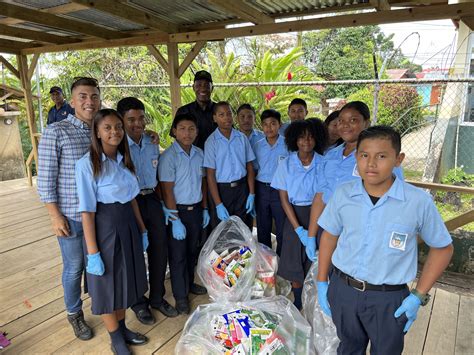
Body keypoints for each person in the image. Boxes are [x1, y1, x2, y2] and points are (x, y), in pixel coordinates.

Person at [316, 126, 453, 355]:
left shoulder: (417, 202)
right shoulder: (343, 194)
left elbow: (443, 249)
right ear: (356, 157)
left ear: (398, 159)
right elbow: (329, 236)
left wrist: (418, 295)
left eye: (381, 156)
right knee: (348, 348)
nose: (371, 163)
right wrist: (322, 282)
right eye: (364, 155)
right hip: (344, 291)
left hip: (388, 299)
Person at [75, 109, 149, 355]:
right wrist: (93, 252)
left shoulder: (123, 159)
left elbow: (133, 199)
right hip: (105, 229)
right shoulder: (87, 165)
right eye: (107, 127)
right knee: (107, 286)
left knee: (126, 283)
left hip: (128, 224)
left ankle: (123, 328)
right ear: (97, 131)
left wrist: (142, 229)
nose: (114, 132)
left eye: (118, 126)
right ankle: (116, 338)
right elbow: (87, 211)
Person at [38, 77, 101, 341]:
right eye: (83, 97)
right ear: (72, 101)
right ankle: (74, 313)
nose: (89, 102)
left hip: (101, 215)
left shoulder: (101, 129)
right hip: (72, 216)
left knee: (97, 264)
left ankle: (102, 305)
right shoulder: (57, 131)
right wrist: (55, 215)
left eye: (94, 96)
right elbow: (45, 178)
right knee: (74, 267)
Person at [306, 101, 404, 258]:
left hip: (359, 232)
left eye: (353, 120)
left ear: (367, 123)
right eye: (341, 121)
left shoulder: (380, 158)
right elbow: (320, 196)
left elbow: (394, 200)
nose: (345, 125)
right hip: (328, 228)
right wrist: (311, 235)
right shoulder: (331, 156)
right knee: (324, 274)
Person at [117, 97, 178, 322]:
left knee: (159, 250)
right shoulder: (117, 145)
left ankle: (157, 297)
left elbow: (158, 175)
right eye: (131, 119)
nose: (138, 123)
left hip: (151, 199)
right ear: (121, 121)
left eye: (141, 118)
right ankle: (138, 302)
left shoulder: (152, 142)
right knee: (133, 253)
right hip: (128, 203)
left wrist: (163, 204)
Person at [270, 119, 327, 310]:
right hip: (294, 214)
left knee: (314, 258)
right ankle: (297, 299)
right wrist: (298, 229)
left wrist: (312, 228)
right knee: (293, 258)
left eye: (311, 137)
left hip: (318, 213)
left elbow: (323, 196)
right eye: (302, 137)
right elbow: (284, 199)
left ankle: (313, 298)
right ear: (295, 140)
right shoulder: (286, 164)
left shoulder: (323, 162)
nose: (306, 141)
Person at [159, 113, 209, 315]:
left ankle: (189, 285)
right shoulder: (168, 157)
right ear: (174, 132)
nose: (187, 133)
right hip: (177, 213)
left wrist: (205, 208)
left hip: (196, 210)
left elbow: (203, 183)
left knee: (192, 252)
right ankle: (180, 296)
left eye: (191, 129)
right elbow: (167, 189)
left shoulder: (199, 153)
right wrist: (175, 219)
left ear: (197, 132)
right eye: (182, 128)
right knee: (178, 256)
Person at [204, 101, 256, 230]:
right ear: (215, 118)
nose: (226, 117)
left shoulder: (242, 138)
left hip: (242, 189)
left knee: (243, 229)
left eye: (229, 113)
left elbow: (249, 166)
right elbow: (210, 175)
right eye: (221, 114)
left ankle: (244, 251)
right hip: (222, 191)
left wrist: (251, 193)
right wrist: (218, 204)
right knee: (224, 232)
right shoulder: (211, 142)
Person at [253, 109, 288, 256]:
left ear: (279, 124)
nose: (269, 128)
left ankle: (281, 260)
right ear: (261, 126)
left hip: (280, 190)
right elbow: (254, 168)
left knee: (281, 227)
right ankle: (266, 261)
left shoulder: (287, 145)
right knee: (263, 227)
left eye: (273, 123)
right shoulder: (257, 145)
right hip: (261, 188)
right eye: (265, 124)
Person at [175, 70, 217, 149]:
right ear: (193, 88)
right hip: (192, 158)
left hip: (217, 158)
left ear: (212, 88)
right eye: (199, 85)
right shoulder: (183, 111)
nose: (203, 88)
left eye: (206, 85)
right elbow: (177, 139)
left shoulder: (221, 112)